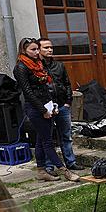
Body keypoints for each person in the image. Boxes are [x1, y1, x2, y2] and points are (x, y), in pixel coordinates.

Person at [13, 37, 79, 182]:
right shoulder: (21, 67)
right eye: (33, 49)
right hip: (36, 108)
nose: (36, 52)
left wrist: (53, 105)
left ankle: (41, 170)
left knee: (40, 140)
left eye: (37, 49)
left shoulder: (38, 64)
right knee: (47, 141)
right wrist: (43, 110)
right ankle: (64, 171)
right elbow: (28, 92)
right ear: (24, 50)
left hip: (47, 104)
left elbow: (46, 87)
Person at [37, 37, 83, 172]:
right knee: (48, 138)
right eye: (46, 47)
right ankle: (49, 165)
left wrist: (68, 101)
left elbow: (67, 83)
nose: (50, 50)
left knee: (66, 136)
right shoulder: (37, 68)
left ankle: (70, 162)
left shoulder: (59, 65)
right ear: (39, 50)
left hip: (62, 105)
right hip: (47, 107)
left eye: (51, 47)